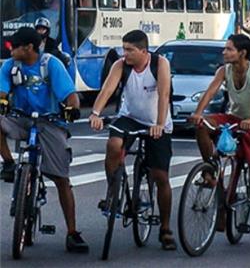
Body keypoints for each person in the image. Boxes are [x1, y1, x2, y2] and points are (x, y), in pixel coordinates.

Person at [0, 27, 87, 252]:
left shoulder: (51, 65)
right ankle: (9, 163)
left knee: (61, 179)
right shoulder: (10, 66)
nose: (10, 50)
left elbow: (70, 95)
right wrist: (3, 102)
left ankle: (72, 232)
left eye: (14, 46)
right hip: (21, 118)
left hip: (50, 121)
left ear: (28, 47)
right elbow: (2, 92)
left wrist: (71, 110)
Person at [89, 30, 177, 250]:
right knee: (113, 145)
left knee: (160, 176)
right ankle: (113, 192)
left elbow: (164, 94)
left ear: (143, 51)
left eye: (129, 50)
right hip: (130, 117)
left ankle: (165, 229)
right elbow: (108, 89)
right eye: (123, 48)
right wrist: (95, 113)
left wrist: (158, 124)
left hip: (157, 121)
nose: (124, 53)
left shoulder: (160, 63)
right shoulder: (121, 65)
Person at [188, 34, 250, 249]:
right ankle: (210, 170)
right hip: (233, 119)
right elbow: (210, 91)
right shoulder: (223, 70)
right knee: (203, 126)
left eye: (229, 49)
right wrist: (198, 113)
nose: (224, 52)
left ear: (242, 53)